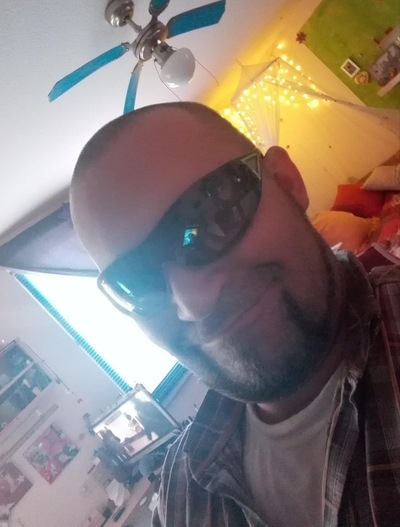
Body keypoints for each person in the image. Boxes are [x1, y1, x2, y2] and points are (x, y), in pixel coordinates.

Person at [70, 102, 400, 527]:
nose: (194, 302)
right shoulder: (180, 500)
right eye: (138, 281)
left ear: (287, 183)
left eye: (213, 217)